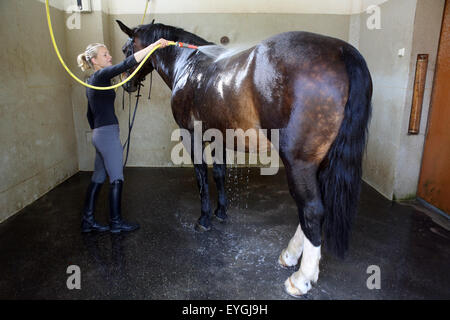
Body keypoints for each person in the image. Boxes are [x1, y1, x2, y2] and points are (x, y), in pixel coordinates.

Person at [77, 38, 169, 233]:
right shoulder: (101, 76)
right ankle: (116, 222)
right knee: (117, 177)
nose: (109, 56)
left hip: (100, 134)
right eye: (105, 54)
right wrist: (153, 46)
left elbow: (89, 113)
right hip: (107, 135)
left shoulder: (92, 81)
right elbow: (127, 64)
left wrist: (97, 133)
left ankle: (88, 221)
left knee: (98, 177)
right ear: (95, 61)